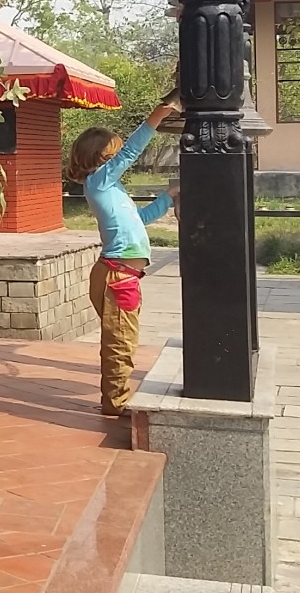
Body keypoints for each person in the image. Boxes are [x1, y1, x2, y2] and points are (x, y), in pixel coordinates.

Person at [65, 92, 182, 417]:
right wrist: (157, 116)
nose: (120, 158)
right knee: (120, 343)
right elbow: (131, 150)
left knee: (121, 340)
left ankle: (114, 400)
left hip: (119, 275)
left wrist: (167, 198)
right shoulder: (99, 182)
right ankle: (116, 405)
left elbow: (139, 220)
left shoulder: (111, 189)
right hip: (117, 277)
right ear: (102, 157)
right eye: (114, 154)